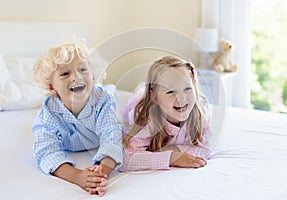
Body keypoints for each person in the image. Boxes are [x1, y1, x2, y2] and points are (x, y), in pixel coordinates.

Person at [32, 39, 122, 196]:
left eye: (83, 70)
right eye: (65, 73)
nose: (76, 77)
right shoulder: (49, 113)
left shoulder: (103, 101)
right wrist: (79, 177)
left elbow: (112, 138)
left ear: (93, 76)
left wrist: (100, 175)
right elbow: (46, 151)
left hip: (102, 110)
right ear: (51, 85)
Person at [121, 56, 212, 171]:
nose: (181, 98)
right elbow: (127, 159)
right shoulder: (148, 118)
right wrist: (173, 158)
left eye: (187, 89)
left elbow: (205, 149)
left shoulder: (200, 111)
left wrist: (174, 149)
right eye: (171, 91)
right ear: (154, 96)